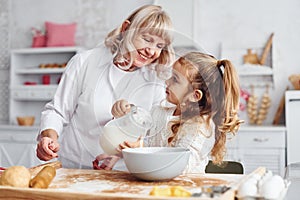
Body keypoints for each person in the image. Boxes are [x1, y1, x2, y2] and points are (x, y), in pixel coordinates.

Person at [35, 4, 175, 169]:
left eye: (159, 46)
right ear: (126, 28)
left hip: (125, 172)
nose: (152, 51)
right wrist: (48, 137)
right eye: (147, 39)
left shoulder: (156, 80)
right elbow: (57, 111)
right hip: (74, 166)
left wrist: (130, 149)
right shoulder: (85, 62)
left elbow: (155, 136)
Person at [110, 52, 243, 173]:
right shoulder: (160, 112)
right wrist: (125, 114)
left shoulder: (200, 129)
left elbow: (180, 166)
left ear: (195, 95)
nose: (167, 81)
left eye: (175, 80)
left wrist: (142, 150)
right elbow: (142, 135)